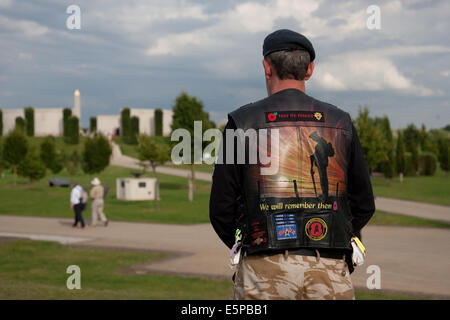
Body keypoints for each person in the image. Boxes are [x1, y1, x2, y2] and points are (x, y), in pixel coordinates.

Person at [210, 29, 375, 300]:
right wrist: (333, 240)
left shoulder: (242, 122)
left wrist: (253, 242)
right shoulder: (340, 121)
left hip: (263, 270)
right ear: (309, 70)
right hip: (329, 267)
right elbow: (364, 203)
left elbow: (221, 209)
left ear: (266, 67)